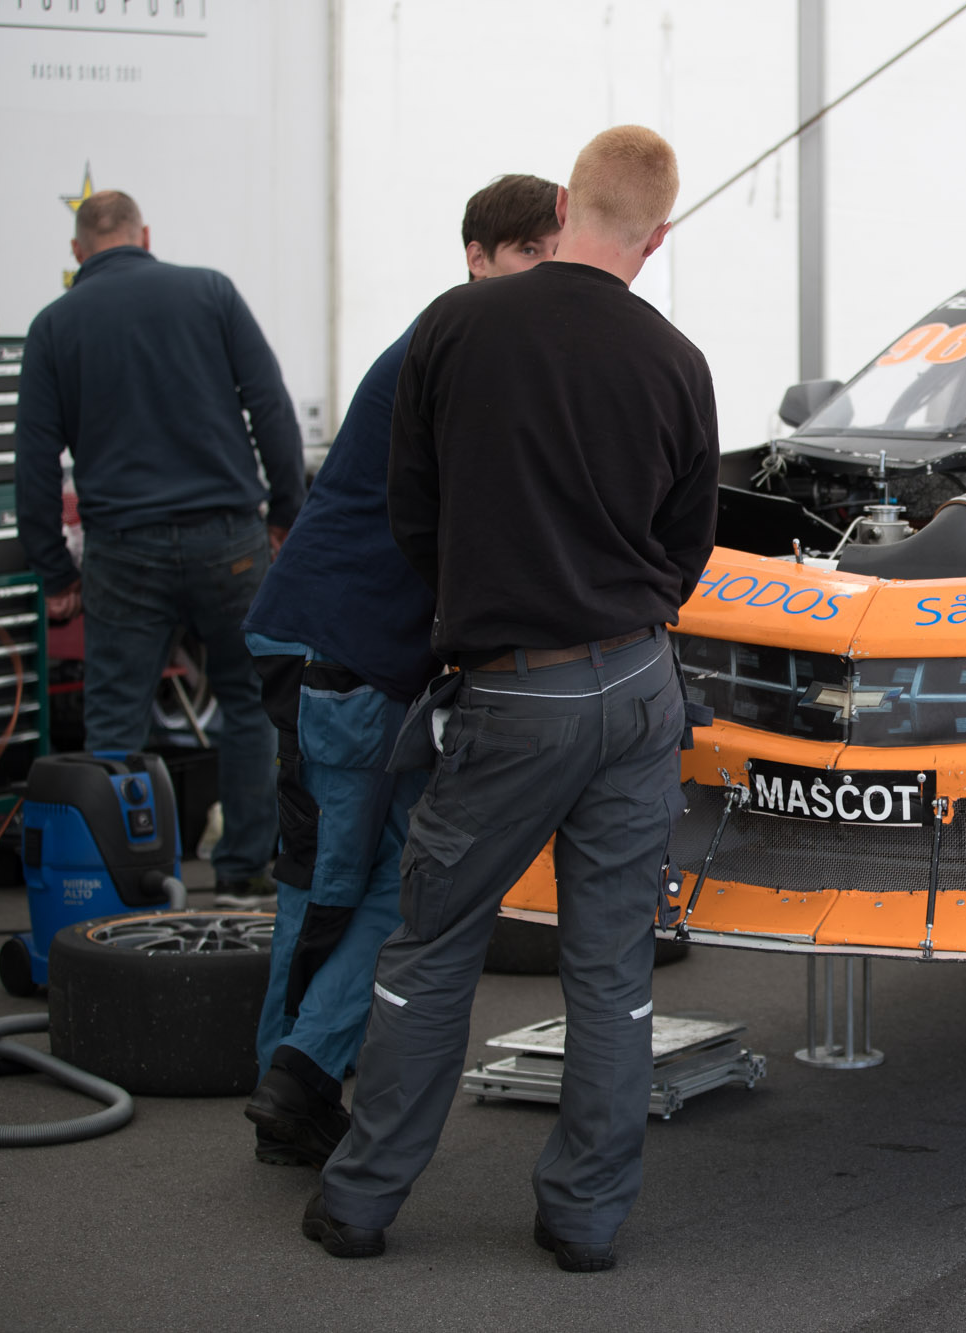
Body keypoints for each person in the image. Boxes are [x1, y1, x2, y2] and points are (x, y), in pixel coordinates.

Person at [303, 125, 719, 1272]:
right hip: (639, 681)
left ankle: (360, 1202)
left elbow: (411, 511)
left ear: (565, 205)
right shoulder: (676, 360)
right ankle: (585, 1219)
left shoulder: (455, 325)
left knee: (433, 947)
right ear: (658, 235)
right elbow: (686, 545)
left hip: (512, 690)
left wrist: (486, 600)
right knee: (611, 965)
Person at [238, 175, 564, 1169]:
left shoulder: (467, 346)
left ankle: (293, 1085)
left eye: (556, 257)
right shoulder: (454, 350)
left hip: (364, 657)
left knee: (387, 883)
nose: (544, 276)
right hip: (336, 655)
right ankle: (290, 1082)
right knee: (336, 887)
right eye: (528, 254)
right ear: (477, 257)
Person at [16, 191, 303, 901]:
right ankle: (243, 874)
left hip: (123, 547)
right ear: (143, 235)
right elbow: (269, 403)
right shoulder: (210, 292)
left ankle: (122, 884)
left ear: (78, 251)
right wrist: (285, 511)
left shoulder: (54, 324)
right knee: (249, 703)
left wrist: (54, 570)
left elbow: (35, 460)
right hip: (229, 539)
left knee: (117, 718)